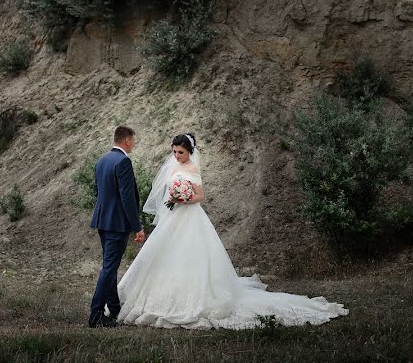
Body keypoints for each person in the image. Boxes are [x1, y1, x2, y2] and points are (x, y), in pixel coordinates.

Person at [115, 133, 348, 329]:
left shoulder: (193, 168)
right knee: (164, 255)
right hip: (173, 218)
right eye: (174, 152)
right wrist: (174, 197)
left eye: (180, 153)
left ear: (189, 152)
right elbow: (167, 193)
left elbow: (200, 196)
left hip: (191, 217)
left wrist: (185, 198)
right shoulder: (173, 167)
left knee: (192, 256)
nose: (176, 156)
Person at [88, 126, 146, 328]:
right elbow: (127, 198)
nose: (134, 144)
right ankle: (95, 314)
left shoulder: (102, 160)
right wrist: (137, 227)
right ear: (127, 141)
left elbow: (98, 191)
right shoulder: (123, 161)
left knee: (110, 266)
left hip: (103, 221)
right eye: (134, 140)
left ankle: (113, 308)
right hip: (117, 224)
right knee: (109, 267)